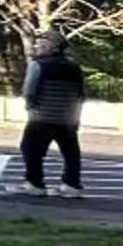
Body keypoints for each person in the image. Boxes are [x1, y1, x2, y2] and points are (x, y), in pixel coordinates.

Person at [19, 32, 88, 197]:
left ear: (53, 47)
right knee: (71, 153)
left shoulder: (37, 65)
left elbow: (29, 90)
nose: (36, 46)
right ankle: (72, 185)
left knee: (31, 149)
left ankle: (34, 184)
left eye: (40, 44)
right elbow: (80, 95)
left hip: (42, 117)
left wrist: (30, 106)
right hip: (67, 119)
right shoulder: (74, 67)